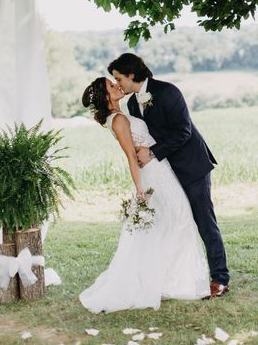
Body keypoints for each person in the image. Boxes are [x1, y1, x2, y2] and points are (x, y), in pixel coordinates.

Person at [79, 77, 210, 313]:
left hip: (160, 167)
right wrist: (139, 189)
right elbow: (130, 156)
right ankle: (169, 280)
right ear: (105, 97)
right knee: (178, 216)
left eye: (116, 81)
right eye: (111, 85)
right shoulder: (118, 120)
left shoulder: (123, 113)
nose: (117, 86)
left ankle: (169, 279)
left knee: (173, 219)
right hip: (151, 174)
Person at [108, 53, 230, 298]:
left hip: (191, 166)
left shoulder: (168, 92)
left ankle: (220, 278)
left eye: (119, 77)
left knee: (204, 222)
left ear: (132, 75)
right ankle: (172, 277)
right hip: (164, 174)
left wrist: (152, 152)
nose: (118, 83)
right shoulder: (132, 104)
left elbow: (183, 131)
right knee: (171, 222)